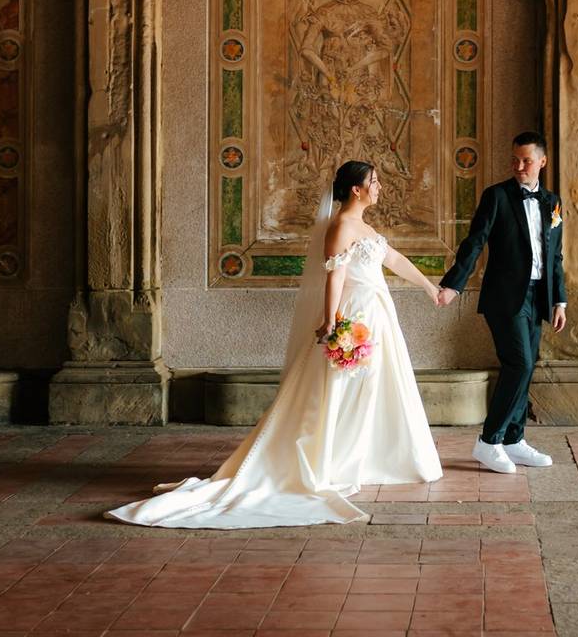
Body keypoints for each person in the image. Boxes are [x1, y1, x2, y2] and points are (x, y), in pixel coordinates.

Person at [106, 161, 443, 528]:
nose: (379, 187)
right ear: (356, 190)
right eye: (373, 182)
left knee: (374, 387)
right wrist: (331, 322)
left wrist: (430, 288)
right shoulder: (340, 227)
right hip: (354, 317)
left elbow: (392, 259)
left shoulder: (365, 226)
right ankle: (329, 460)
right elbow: (335, 277)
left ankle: (367, 457)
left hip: (379, 317)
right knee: (337, 390)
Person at [437, 131, 567, 474]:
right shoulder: (496, 196)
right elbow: (474, 242)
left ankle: (514, 439)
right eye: (515, 160)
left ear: (542, 162)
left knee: (529, 365)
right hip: (504, 298)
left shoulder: (552, 202)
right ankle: (489, 441)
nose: (519, 166)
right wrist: (453, 284)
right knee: (519, 364)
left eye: (526, 160)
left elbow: (555, 256)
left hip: (539, 296)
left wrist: (560, 301)